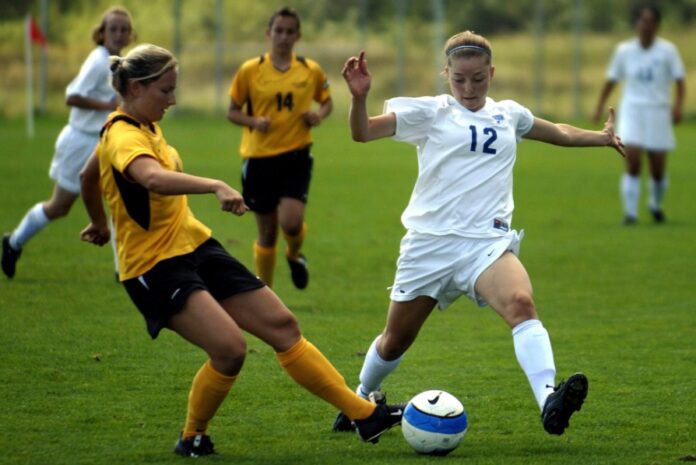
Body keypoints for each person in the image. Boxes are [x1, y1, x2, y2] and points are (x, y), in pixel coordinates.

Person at [79, 43, 402, 458]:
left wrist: (98, 221)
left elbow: (89, 175)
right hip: (154, 266)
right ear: (138, 88)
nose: (174, 99)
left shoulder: (139, 127)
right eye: (166, 90)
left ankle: (364, 415)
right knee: (229, 350)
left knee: (283, 326)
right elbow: (152, 179)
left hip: (194, 245)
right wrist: (214, 185)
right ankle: (193, 435)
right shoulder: (123, 134)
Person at [333, 31, 625, 437]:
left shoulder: (509, 114)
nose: (468, 88)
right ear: (446, 74)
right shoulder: (430, 112)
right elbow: (362, 132)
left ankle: (549, 400)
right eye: (459, 79)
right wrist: (359, 96)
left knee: (522, 303)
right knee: (395, 341)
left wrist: (602, 138)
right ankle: (360, 399)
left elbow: (557, 131)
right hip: (430, 245)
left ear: (492, 73)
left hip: (486, 245)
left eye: (478, 78)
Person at [2, 6, 135, 279]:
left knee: (121, 199)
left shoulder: (120, 62)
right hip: (80, 141)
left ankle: (122, 270)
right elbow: (72, 96)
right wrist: (107, 104)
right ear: (102, 32)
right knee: (59, 206)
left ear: (130, 34)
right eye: (113, 29)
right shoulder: (99, 60)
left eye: (124, 29)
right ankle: (12, 242)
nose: (119, 34)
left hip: (106, 142)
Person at [226, 6, 332, 290]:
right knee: (268, 233)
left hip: (296, 156)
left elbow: (327, 101)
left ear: (298, 35)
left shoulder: (310, 70)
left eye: (289, 31)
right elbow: (232, 111)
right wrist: (253, 121)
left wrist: (317, 116)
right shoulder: (251, 70)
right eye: (278, 31)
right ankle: (266, 294)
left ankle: (295, 254)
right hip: (259, 158)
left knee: (292, 223)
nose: (283, 37)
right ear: (268, 34)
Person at [593, 4, 686, 225]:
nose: (646, 26)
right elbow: (611, 80)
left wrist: (679, 106)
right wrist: (599, 106)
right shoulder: (624, 51)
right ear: (637, 24)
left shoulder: (668, 51)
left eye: (651, 21)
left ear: (657, 25)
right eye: (642, 21)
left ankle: (655, 205)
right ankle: (631, 214)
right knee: (632, 159)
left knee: (657, 167)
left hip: (658, 111)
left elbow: (680, 81)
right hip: (633, 111)